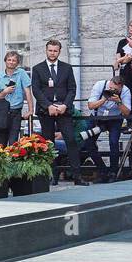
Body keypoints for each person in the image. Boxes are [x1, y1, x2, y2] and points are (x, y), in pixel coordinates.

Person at [31, 39, 84, 183]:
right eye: (50, 50)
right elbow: (36, 90)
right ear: (46, 50)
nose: (52, 53)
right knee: (49, 143)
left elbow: (72, 89)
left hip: (63, 110)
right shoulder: (37, 68)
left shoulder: (67, 68)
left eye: (55, 50)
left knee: (71, 141)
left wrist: (65, 106)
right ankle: (51, 176)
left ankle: (77, 176)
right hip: (45, 110)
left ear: (59, 51)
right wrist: (48, 105)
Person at [81, 75, 132, 182]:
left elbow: (127, 112)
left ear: (121, 88)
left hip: (115, 119)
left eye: (116, 90)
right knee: (87, 142)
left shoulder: (126, 91)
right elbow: (90, 106)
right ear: (109, 84)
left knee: (113, 143)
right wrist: (104, 99)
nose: (113, 91)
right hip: (97, 117)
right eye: (111, 89)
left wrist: (118, 101)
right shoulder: (100, 85)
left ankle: (113, 173)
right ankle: (103, 171)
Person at [0, 50, 33, 145]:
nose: (11, 62)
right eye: (9, 60)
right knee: (1, 143)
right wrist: (5, 92)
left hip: (15, 111)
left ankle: (13, 159)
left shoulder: (21, 73)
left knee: (14, 142)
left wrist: (30, 110)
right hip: (1, 112)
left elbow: (28, 92)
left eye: (14, 60)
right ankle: (3, 160)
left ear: (17, 63)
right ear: (5, 61)